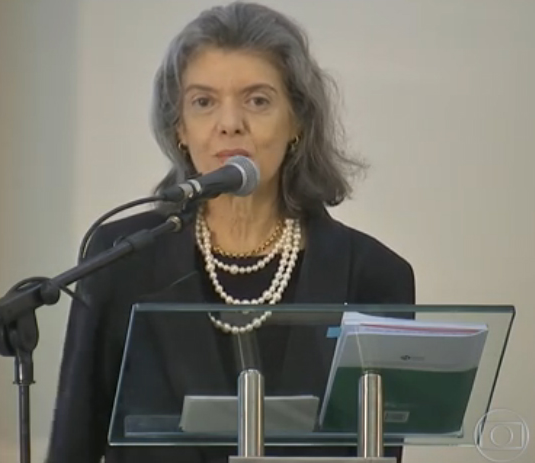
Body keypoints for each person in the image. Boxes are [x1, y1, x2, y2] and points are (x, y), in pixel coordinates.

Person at [45, 2, 415, 463]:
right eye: (203, 102)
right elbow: (73, 443)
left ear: (298, 121)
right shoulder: (121, 258)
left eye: (257, 100)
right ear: (179, 128)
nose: (230, 123)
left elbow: (380, 449)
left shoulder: (373, 275)